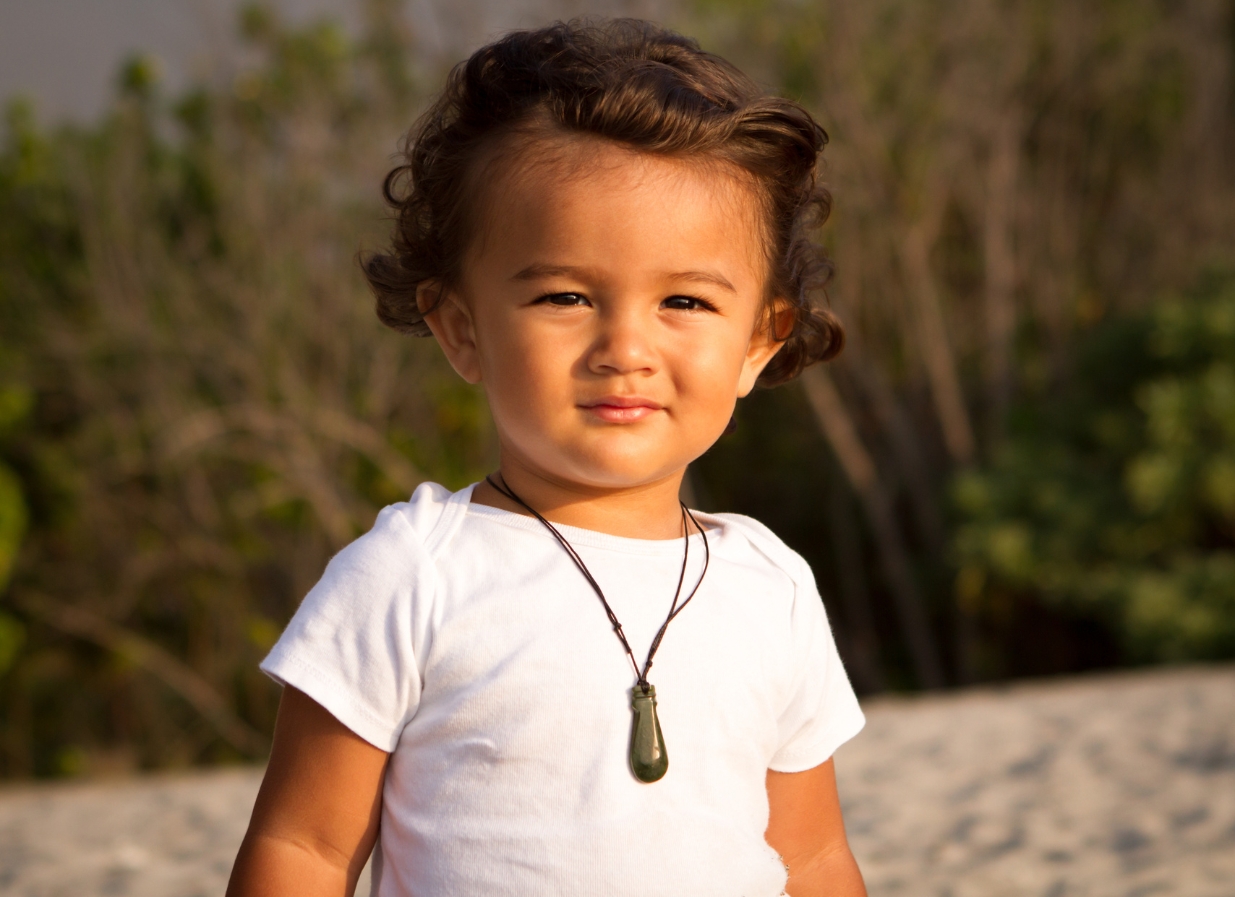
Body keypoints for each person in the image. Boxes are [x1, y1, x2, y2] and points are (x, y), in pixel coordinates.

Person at [226, 18, 866, 897]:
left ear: (760, 340)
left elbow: (813, 856)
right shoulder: (413, 574)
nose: (625, 347)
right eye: (566, 295)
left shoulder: (771, 583)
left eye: (683, 299)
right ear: (462, 328)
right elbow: (303, 848)